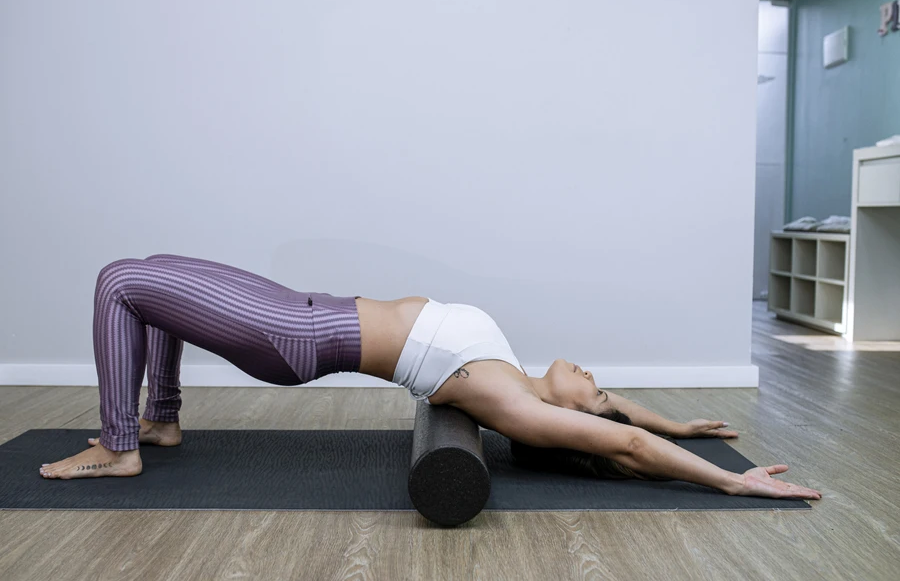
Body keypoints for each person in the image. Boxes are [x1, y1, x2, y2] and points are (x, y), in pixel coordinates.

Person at [39, 254, 822, 501]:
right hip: (302, 310)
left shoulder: (519, 405)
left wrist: (735, 483)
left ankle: (121, 445)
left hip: (296, 337)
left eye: (598, 392)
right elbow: (624, 421)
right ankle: (160, 418)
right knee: (144, 273)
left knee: (118, 283)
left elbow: (621, 447)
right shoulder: (517, 370)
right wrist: (682, 423)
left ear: (578, 418)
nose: (594, 376)